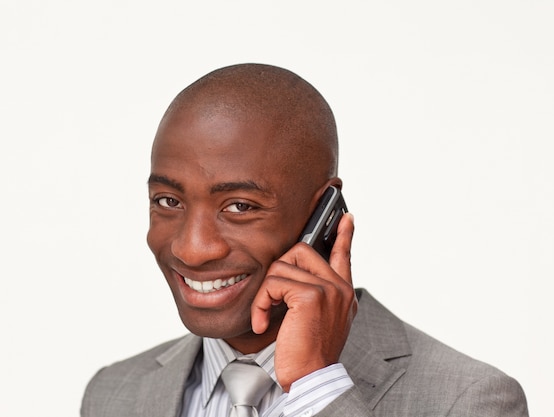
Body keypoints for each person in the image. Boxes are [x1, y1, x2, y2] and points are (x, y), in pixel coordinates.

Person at [81, 63, 528, 416]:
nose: (191, 249)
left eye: (240, 206)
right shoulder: (115, 394)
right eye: (168, 200)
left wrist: (319, 388)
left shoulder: (470, 401)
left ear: (324, 216)